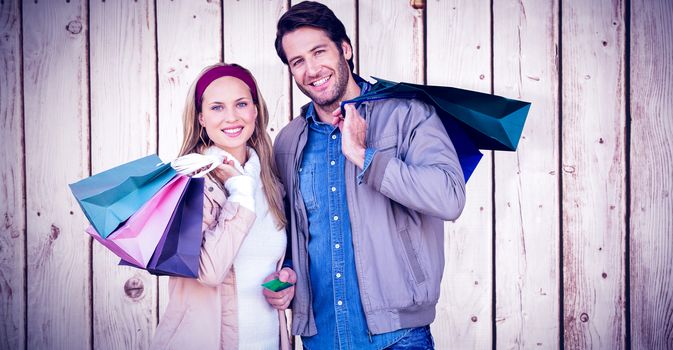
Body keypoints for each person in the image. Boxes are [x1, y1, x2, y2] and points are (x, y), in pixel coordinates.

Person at [269, 2, 467, 349]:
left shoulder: (409, 115)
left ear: (345, 48)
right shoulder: (288, 141)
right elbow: (291, 231)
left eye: (319, 52)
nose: (312, 69)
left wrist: (364, 156)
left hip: (399, 336)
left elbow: (449, 197)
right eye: (298, 61)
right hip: (321, 337)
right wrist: (286, 270)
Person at [150, 63, 295, 350]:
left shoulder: (271, 183)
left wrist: (287, 277)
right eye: (217, 107)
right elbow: (210, 271)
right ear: (201, 117)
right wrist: (239, 192)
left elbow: (268, 261)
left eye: (241, 104)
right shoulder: (188, 184)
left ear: (255, 110)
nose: (232, 117)